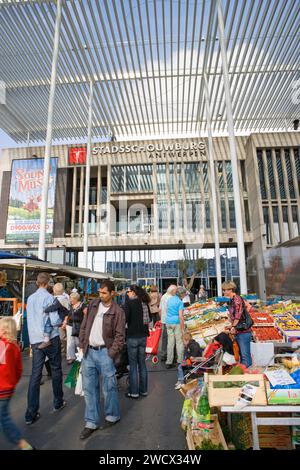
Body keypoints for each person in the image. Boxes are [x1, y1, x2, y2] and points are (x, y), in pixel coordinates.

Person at [79, 280, 125, 440]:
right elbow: (85, 325)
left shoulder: (118, 311)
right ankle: (91, 422)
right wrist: (81, 343)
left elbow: (120, 336)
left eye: (104, 293)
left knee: (109, 387)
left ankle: (112, 416)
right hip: (89, 352)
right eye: (100, 292)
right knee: (89, 389)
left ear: (112, 293)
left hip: (105, 353)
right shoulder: (93, 305)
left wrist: (111, 353)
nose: (101, 295)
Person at [25, 272, 66, 425]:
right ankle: (58, 401)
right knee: (56, 370)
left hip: (36, 340)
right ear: (48, 283)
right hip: (51, 338)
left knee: (35, 375)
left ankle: (31, 413)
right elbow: (54, 319)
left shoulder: (30, 299)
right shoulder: (49, 298)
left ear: (37, 283)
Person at [0, 317, 34, 450]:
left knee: (4, 419)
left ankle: (22, 443)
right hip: (8, 388)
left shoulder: (2, 345)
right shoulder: (14, 346)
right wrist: (12, 382)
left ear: (3, 329)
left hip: (1, 387)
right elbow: (19, 369)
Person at [123, 285, 150, 399]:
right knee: (142, 364)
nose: (127, 294)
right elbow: (150, 319)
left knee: (133, 365)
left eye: (128, 292)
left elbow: (125, 318)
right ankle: (143, 390)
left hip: (132, 336)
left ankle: (134, 392)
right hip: (143, 336)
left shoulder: (129, 303)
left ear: (133, 292)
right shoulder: (144, 302)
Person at [222, 281, 252, 367]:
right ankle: (246, 373)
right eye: (223, 290)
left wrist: (233, 326)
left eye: (225, 290)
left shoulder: (236, 299)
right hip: (239, 330)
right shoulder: (232, 300)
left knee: (245, 355)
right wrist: (231, 325)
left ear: (231, 290)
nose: (224, 292)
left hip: (243, 330)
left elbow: (238, 315)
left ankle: (246, 376)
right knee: (243, 355)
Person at [38, 283, 70, 350]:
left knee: (49, 325)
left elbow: (53, 307)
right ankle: (65, 348)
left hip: (60, 319)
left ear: (54, 290)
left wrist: (45, 310)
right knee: (63, 336)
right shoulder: (65, 297)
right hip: (64, 318)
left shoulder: (58, 299)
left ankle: (47, 339)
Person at [63, 292, 87, 364]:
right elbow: (68, 314)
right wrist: (64, 322)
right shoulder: (71, 305)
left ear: (76, 299)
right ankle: (70, 357)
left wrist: (85, 324)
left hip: (79, 325)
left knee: (78, 341)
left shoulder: (82, 305)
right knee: (70, 342)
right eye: (70, 298)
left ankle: (80, 356)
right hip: (70, 325)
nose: (70, 300)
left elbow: (86, 314)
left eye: (71, 299)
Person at [165, 286, 186, 369]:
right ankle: (180, 361)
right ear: (181, 294)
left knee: (170, 343)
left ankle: (169, 361)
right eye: (184, 294)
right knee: (179, 342)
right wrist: (182, 328)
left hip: (168, 322)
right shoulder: (180, 302)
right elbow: (181, 316)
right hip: (176, 322)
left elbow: (167, 310)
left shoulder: (170, 299)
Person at [158, 285, 177, 362]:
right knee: (172, 339)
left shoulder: (163, 296)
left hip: (165, 320)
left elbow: (160, 309)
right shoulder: (172, 298)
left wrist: (161, 319)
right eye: (175, 291)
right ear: (172, 291)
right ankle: (172, 356)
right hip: (171, 320)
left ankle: (164, 354)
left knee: (165, 338)